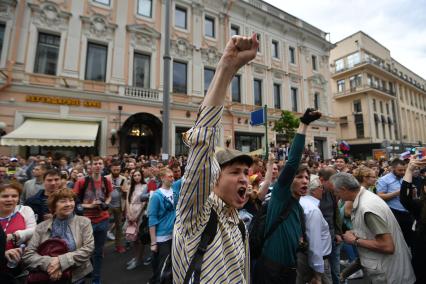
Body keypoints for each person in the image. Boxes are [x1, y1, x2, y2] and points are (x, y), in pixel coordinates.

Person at [172, 34, 258, 283]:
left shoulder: (240, 224)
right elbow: (202, 145)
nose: (244, 178)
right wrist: (226, 68)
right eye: (234, 172)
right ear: (213, 178)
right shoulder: (197, 215)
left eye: (245, 172)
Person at [254, 107, 321, 284]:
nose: (305, 181)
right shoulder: (280, 195)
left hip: (290, 269)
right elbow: (292, 163)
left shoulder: (299, 208)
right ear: (288, 180)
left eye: (307, 177)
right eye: (299, 177)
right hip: (270, 269)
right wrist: (303, 124)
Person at [330, 172, 415, 284]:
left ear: (344, 189)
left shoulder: (367, 207)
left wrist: (355, 240)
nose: (336, 196)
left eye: (336, 192)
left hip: (390, 276)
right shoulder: (365, 198)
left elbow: (387, 246)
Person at [23, 189, 94, 283]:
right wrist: (49, 264)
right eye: (63, 201)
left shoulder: (84, 222)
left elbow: (88, 249)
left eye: (71, 200)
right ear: (53, 205)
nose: (68, 204)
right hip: (47, 277)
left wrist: (61, 261)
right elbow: (28, 255)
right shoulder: (41, 227)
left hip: (76, 278)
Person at [73, 157, 112, 284]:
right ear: (91, 166)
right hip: (85, 220)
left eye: (100, 163)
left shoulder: (106, 181)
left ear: (103, 166)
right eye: (95, 163)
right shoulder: (82, 181)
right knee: (83, 251)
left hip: (103, 220)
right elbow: (74, 200)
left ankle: (96, 279)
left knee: (99, 252)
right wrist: (89, 206)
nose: (97, 166)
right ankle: (81, 278)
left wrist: (105, 203)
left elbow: (109, 196)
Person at [297, 177, 332, 284]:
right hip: (317, 261)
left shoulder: (302, 203)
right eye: (321, 187)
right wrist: (318, 274)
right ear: (313, 190)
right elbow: (314, 243)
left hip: (306, 257)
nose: (323, 190)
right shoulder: (312, 210)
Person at [0, 182, 36, 277]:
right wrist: (3, 253)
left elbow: (34, 231)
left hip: (21, 265)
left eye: (14, 196)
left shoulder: (25, 210)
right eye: (5, 196)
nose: (10, 199)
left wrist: (15, 235)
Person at [148, 168, 177, 283]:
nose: (172, 178)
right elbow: (152, 219)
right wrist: (153, 242)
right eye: (170, 176)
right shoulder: (156, 196)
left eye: (173, 176)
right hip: (161, 238)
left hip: (173, 235)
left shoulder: (174, 191)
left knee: (172, 267)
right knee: (163, 269)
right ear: (162, 178)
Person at [399, 157, 426, 284]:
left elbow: (405, 198)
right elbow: (405, 198)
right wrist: (409, 170)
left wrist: (410, 170)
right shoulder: (421, 206)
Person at [376, 158, 413, 247]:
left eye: (404, 170)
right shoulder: (384, 180)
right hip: (394, 212)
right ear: (392, 169)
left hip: (407, 212)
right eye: (400, 170)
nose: (403, 172)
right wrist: (398, 192)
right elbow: (380, 196)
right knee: (397, 240)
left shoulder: (405, 178)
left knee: (409, 240)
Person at [317, 167, 342, 284]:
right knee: (323, 273)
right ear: (322, 180)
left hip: (333, 238)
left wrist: (338, 232)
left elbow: (335, 213)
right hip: (320, 241)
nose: (336, 184)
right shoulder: (312, 194)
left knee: (336, 271)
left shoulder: (332, 193)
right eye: (333, 181)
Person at [125, 169, 148, 270]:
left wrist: (137, 216)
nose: (137, 177)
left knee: (140, 238)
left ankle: (139, 259)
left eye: (138, 175)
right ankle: (135, 257)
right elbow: (127, 200)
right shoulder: (130, 186)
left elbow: (144, 203)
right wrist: (129, 214)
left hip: (140, 214)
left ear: (141, 176)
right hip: (131, 212)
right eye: (135, 175)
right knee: (133, 238)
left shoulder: (145, 186)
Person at [105, 161, 128, 253]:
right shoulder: (105, 178)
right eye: (114, 169)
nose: (116, 171)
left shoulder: (123, 179)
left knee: (119, 227)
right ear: (111, 169)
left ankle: (118, 246)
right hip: (108, 205)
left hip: (119, 205)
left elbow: (126, 194)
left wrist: (123, 190)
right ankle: (100, 248)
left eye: (118, 169)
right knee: (103, 227)